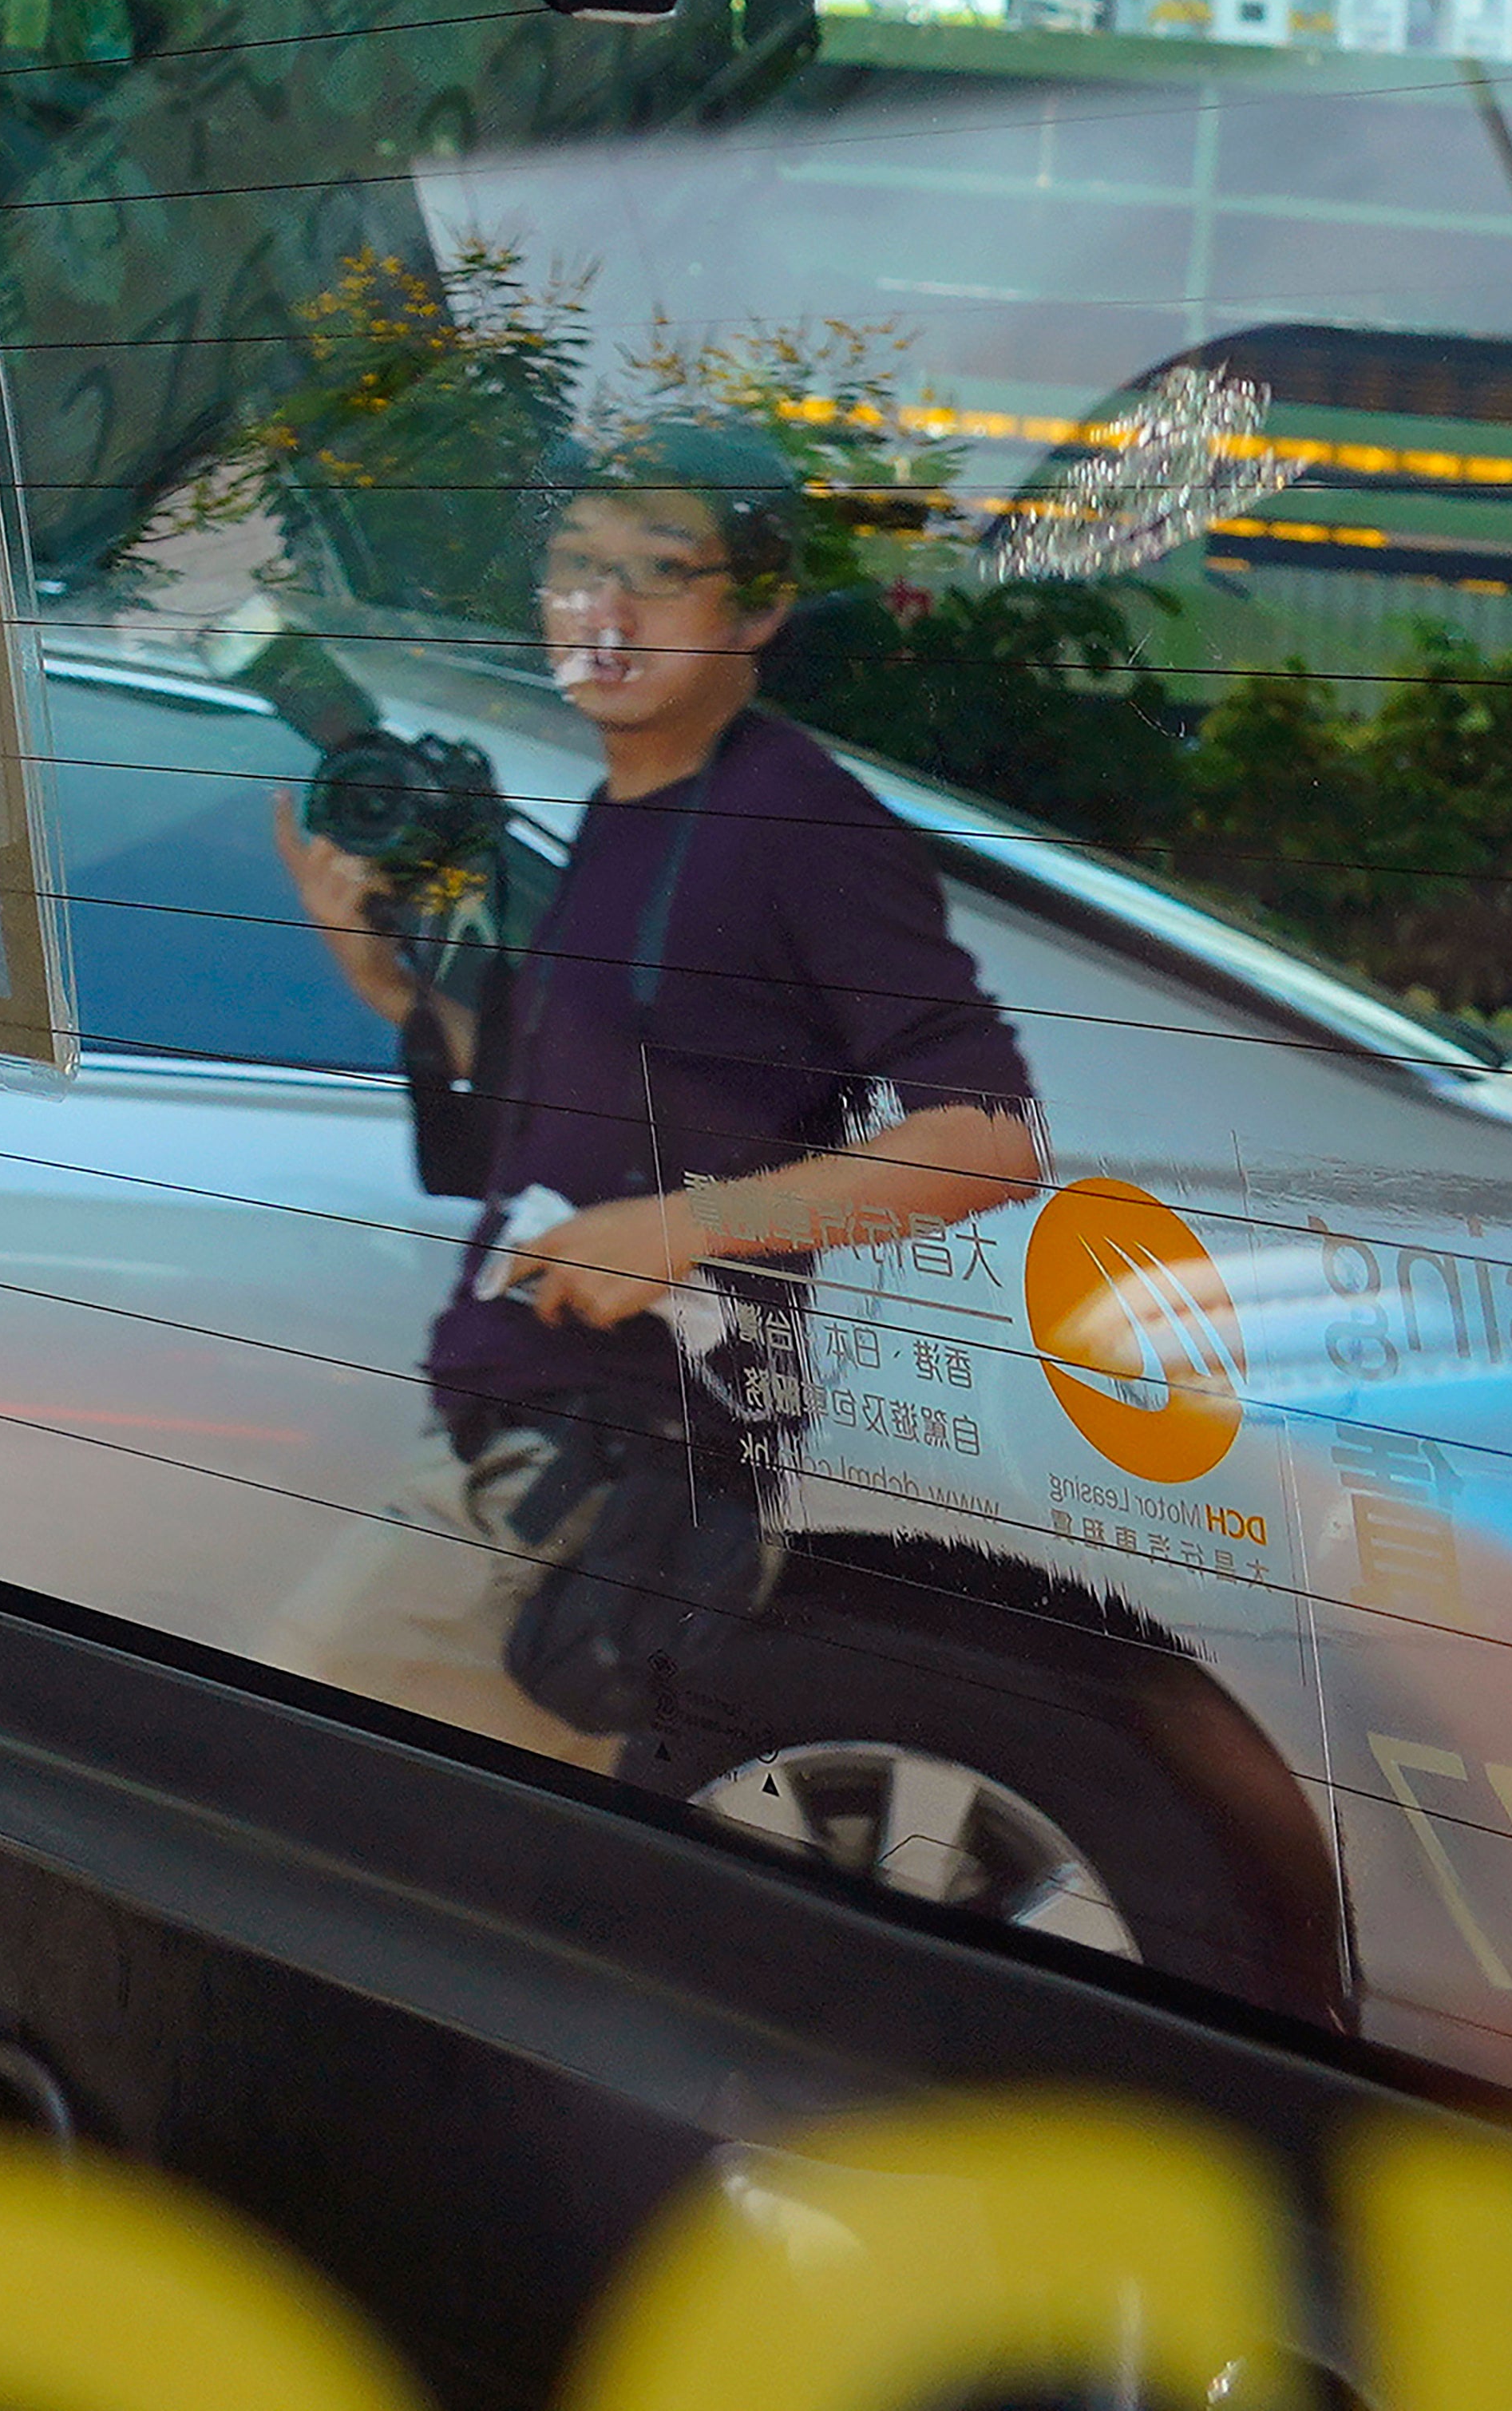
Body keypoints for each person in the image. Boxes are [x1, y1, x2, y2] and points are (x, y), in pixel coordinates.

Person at [261, 426, 1045, 1768]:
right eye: (573, 568)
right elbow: (579, 1110)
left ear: (759, 605)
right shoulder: (634, 810)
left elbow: (987, 1140)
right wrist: (387, 983)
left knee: (288, 1798)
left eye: (657, 572)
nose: (602, 610)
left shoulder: (799, 824)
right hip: (540, 1440)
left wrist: (679, 1228)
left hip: (599, 1464)